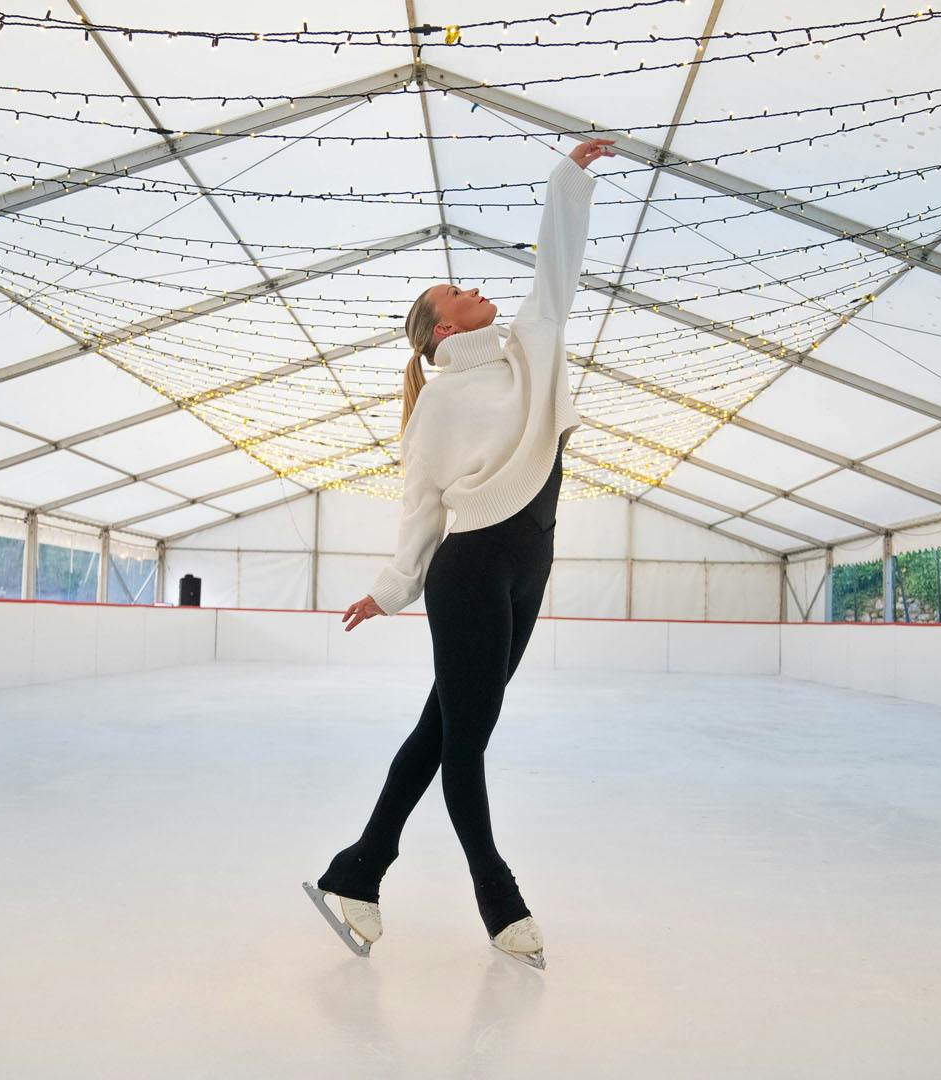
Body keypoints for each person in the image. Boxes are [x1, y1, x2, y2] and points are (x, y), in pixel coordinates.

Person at [304, 137, 615, 970]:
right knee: (466, 742)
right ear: (444, 327)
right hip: (472, 571)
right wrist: (390, 587)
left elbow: (559, 265)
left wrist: (568, 179)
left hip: (531, 564)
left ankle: (357, 873)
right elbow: (420, 507)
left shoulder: (529, 347)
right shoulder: (438, 405)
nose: (478, 289)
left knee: (441, 728)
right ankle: (500, 903)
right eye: (459, 291)